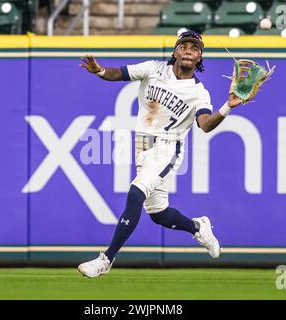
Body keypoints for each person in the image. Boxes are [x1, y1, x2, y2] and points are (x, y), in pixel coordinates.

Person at [77, 31, 243, 278]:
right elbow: (119, 74)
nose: (189, 50)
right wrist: (100, 70)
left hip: (167, 147)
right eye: (184, 46)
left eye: (195, 48)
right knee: (158, 214)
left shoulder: (199, 92)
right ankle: (198, 227)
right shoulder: (153, 69)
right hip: (142, 146)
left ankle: (106, 260)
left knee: (136, 193)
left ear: (199, 57)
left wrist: (228, 106)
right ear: (175, 51)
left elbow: (205, 124)